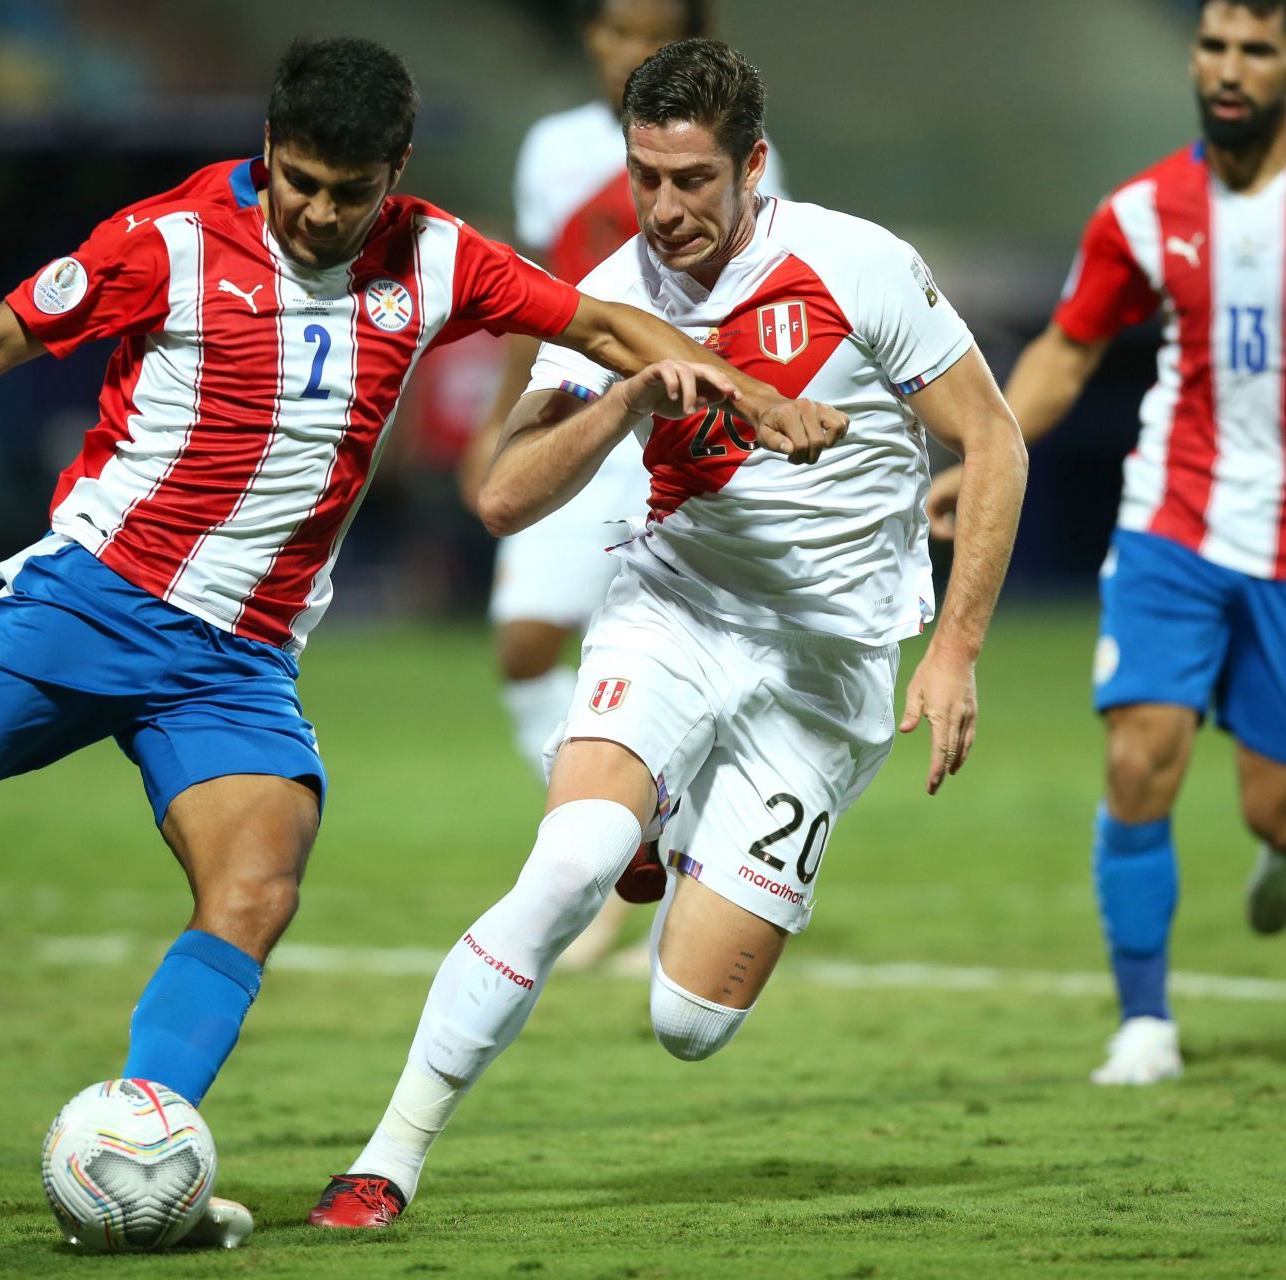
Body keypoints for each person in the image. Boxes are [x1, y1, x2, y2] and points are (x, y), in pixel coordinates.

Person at [0, 37, 839, 1247]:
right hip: (89, 599)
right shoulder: (167, 240)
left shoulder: (434, 256)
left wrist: (748, 395)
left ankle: (144, 1146)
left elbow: (601, 321)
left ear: (396, 171)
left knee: (255, 888)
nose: (322, 214)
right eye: (300, 183)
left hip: (238, 660)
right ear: (267, 152)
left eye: (352, 191)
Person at [309, 38, 1028, 1228]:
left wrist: (953, 651)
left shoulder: (858, 265)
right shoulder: (611, 305)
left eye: (693, 180)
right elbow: (500, 496)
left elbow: (992, 441)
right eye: (648, 177)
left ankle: (681, 825)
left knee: (688, 1023)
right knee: (572, 862)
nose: (666, 207)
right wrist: (632, 395)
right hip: (673, 614)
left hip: (827, 670)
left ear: (752, 167)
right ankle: (388, 1156)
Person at [926, 0, 1286, 1085]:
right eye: (1214, 46)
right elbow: (1070, 349)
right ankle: (1145, 1022)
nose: (1229, 69)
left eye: (1255, 50)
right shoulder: (1140, 210)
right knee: (1137, 758)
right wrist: (991, 456)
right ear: (1195, 58)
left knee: (1283, 808)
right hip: (1170, 522)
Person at [464, 0, 787, 970]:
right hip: (580, 414)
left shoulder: (741, 152)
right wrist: (500, 415)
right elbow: (532, 289)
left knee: (681, 660)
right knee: (523, 644)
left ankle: (653, 860)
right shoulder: (553, 150)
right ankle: (622, 844)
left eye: (649, 36)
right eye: (612, 33)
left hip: (674, 436)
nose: (625, 54)